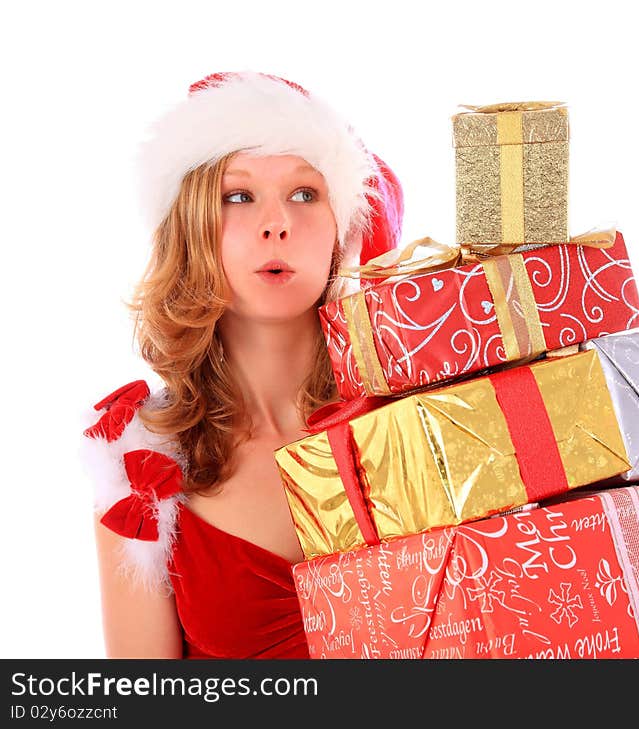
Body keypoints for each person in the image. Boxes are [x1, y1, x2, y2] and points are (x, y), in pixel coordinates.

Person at [80, 71, 404, 658]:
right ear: (193, 229)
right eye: (239, 195)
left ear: (345, 231)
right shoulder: (142, 467)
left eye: (306, 194)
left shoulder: (428, 424)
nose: (275, 224)